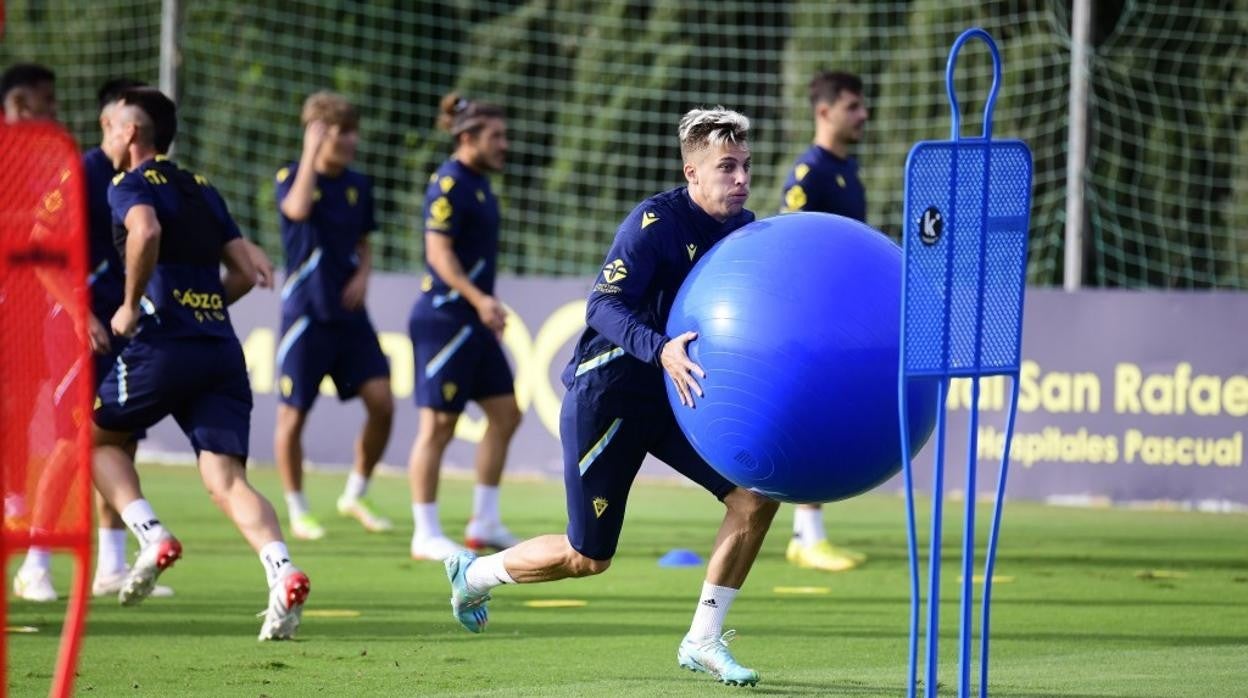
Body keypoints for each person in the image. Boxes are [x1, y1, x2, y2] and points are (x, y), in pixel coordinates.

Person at [442, 107, 779, 687]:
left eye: (746, 165)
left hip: (677, 398)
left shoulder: (744, 229)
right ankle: (475, 575)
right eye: (727, 167)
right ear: (692, 173)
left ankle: (702, 639)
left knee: (754, 498)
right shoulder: (654, 221)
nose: (742, 178)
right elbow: (601, 304)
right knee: (588, 558)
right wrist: (662, 349)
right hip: (610, 394)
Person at [92, 87, 309, 639]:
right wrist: (203, 307)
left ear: (132, 133)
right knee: (227, 478)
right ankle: (282, 570)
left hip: (161, 346)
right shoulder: (203, 189)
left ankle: (151, 534)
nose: (104, 138)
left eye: (109, 127)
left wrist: (129, 307)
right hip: (218, 346)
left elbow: (146, 231)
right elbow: (247, 270)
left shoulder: (128, 184)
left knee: (93, 441)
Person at [273, 91, 394, 541]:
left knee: (382, 402)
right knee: (293, 417)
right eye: (336, 130)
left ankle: (355, 492)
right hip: (306, 316)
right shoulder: (292, 177)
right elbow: (297, 210)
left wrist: (364, 273)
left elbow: (364, 240)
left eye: (351, 130)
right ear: (316, 133)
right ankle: (298, 509)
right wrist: (309, 153)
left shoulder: (359, 186)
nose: (347, 139)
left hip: (350, 317)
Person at [406, 93, 522, 561]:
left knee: (506, 413)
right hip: (445, 319)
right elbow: (438, 254)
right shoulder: (449, 183)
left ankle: (485, 520)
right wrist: (480, 300)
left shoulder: (480, 185)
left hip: (474, 322)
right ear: (466, 137)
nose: (504, 144)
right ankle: (425, 531)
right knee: (437, 425)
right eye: (495, 136)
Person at [777, 70, 871, 573]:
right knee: (811, 419)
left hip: (840, 320)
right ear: (824, 111)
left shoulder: (847, 170)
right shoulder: (808, 173)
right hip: (809, 322)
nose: (863, 115)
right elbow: (789, 244)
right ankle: (807, 537)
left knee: (828, 419)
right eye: (853, 106)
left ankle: (805, 533)